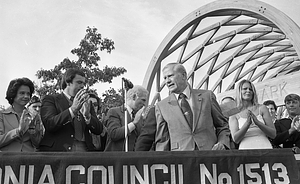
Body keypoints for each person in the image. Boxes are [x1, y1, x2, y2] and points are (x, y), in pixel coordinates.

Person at [154, 63, 230, 151]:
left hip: (209, 154)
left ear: (184, 75)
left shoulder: (207, 96)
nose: (167, 81)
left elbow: (222, 125)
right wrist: (162, 162)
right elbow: (162, 140)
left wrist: (222, 143)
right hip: (181, 159)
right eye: (165, 78)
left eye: (170, 76)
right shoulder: (161, 106)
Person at [39, 68, 103, 152]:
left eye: (84, 83)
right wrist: (72, 110)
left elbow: (99, 130)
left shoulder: (86, 102)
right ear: (68, 82)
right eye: (79, 82)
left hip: (84, 151)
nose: (83, 86)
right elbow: (50, 124)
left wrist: (88, 116)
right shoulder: (51, 100)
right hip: (59, 151)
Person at [229, 79, 276, 150]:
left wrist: (258, 123)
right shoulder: (233, 113)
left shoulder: (262, 108)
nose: (248, 91)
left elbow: (273, 134)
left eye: (250, 89)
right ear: (239, 91)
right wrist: (247, 124)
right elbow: (236, 139)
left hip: (264, 146)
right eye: (245, 89)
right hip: (245, 148)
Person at [0, 77, 43, 151]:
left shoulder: (35, 116)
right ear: (13, 94)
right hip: (8, 160)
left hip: (29, 160)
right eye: (22, 93)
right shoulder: (2, 115)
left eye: (28, 94)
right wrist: (17, 131)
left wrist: (33, 132)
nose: (26, 96)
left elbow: (37, 144)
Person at [105, 85, 149, 151]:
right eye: (143, 100)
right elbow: (113, 134)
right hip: (116, 158)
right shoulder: (114, 112)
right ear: (134, 97)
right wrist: (134, 123)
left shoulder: (140, 117)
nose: (144, 104)